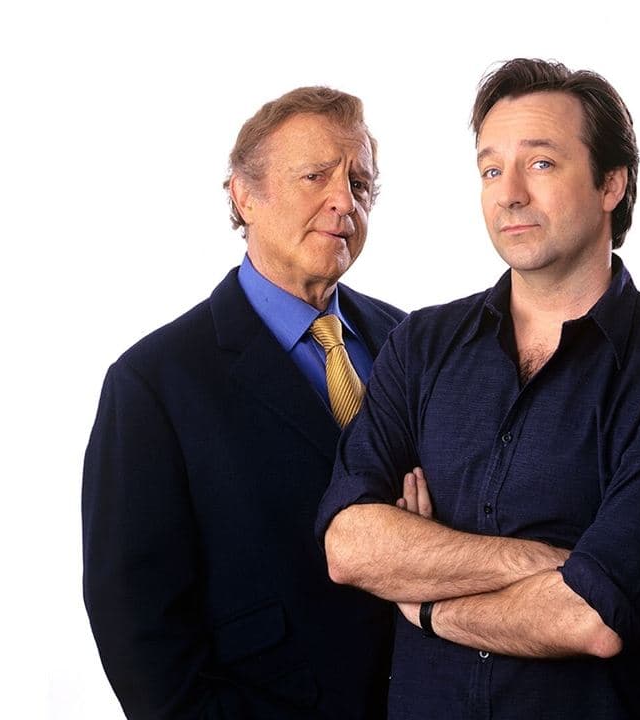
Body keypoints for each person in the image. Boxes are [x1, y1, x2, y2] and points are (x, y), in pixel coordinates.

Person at [315, 58, 640, 719]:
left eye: (540, 163)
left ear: (611, 183)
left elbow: (592, 616)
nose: (508, 193)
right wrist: (549, 563)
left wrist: (425, 600)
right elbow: (349, 545)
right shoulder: (419, 346)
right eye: (490, 169)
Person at [83, 86, 406, 719]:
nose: (344, 201)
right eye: (315, 176)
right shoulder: (152, 383)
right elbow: (138, 630)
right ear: (244, 195)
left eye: (360, 184)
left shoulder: (410, 342)